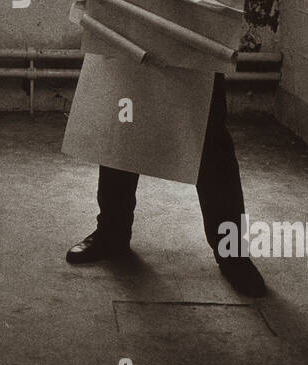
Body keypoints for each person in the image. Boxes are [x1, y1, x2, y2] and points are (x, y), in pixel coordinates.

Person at [65, 72, 267, 297]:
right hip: (134, 45)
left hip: (199, 44)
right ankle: (112, 233)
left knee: (209, 138)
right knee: (124, 127)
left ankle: (233, 255)